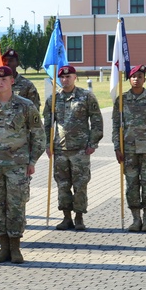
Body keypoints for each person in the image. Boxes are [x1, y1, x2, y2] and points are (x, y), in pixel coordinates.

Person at [0, 66, 44, 263]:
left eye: (5, 78)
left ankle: (15, 248)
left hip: (17, 165)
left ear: (12, 81)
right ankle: (3, 247)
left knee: (15, 206)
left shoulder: (25, 106)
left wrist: (32, 161)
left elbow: (38, 135)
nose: (1, 81)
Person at [44, 66, 103, 231]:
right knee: (62, 184)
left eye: (68, 77)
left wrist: (92, 143)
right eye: (62, 77)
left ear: (75, 77)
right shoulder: (53, 99)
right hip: (60, 150)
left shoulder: (86, 96)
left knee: (80, 184)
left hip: (80, 150)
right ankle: (66, 218)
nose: (65, 80)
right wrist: (47, 145)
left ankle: (79, 217)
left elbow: (97, 121)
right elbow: (47, 124)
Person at [113, 65, 146, 232]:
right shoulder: (121, 100)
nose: (136, 79)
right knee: (131, 184)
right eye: (133, 76)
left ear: (144, 79)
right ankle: (135, 219)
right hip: (128, 150)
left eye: (139, 76)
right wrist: (117, 147)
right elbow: (116, 125)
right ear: (129, 79)